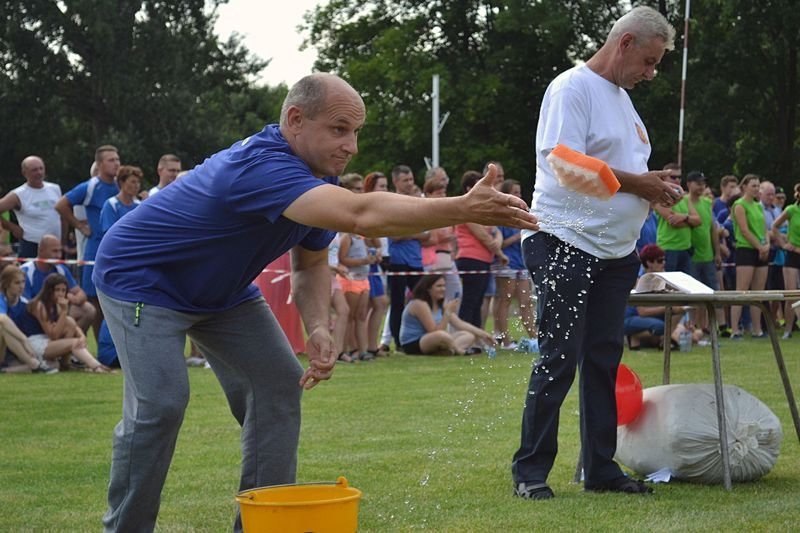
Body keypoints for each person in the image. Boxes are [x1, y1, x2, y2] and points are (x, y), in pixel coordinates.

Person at [91, 72, 537, 531]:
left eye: (356, 132)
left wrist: (318, 326)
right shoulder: (261, 165)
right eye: (340, 129)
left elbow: (309, 264)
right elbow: (360, 214)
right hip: (141, 278)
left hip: (222, 291)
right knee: (162, 403)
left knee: (279, 386)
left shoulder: (317, 175)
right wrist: (462, 206)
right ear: (295, 119)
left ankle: (262, 525)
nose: (352, 147)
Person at [511, 6, 679, 500]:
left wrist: (653, 193)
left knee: (604, 358)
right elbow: (563, 161)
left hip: (614, 252)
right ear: (624, 43)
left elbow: (617, 172)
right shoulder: (572, 88)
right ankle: (530, 471)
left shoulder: (624, 102)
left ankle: (601, 470)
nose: (651, 73)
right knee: (559, 355)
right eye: (648, 61)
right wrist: (639, 182)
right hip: (563, 239)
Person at [55, 145, 120, 343]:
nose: (116, 163)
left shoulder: (121, 185)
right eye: (111, 160)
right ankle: (101, 345)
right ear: (100, 164)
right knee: (95, 300)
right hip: (96, 250)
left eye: (118, 159)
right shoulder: (91, 186)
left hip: (118, 250)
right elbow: (61, 205)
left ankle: (112, 343)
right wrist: (79, 226)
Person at [455, 170, 507, 329]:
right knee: (470, 301)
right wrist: (500, 253)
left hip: (483, 260)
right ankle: (464, 337)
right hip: (471, 259)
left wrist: (497, 245)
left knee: (477, 301)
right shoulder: (465, 209)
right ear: (469, 188)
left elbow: (496, 232)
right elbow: (483, 236)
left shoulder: (481, 210)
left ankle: (475, 340)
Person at [399, 274, 493, 355]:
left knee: (469, 335)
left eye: (444, 286)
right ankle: (460, 351)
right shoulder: (419, 304)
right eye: (439, 286)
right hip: (414, 342)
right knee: (442, 335)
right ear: (428, 289)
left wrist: (483, 334)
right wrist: (447, 312)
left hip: (434, 339)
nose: (443, 289)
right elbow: (434, 331)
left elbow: (459, 324)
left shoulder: (441, 303)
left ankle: (448, 351)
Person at [20, 234, 96, 333]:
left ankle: (69, 338)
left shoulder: (61, 269)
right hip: (36, 315)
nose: (59, 255)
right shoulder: (26, 271)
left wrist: (74, 299)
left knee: (88, 309)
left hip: (57, 313)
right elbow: (27, 305)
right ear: (41, 250)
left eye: (60, 251)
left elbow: (81, 293)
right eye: (55, 251)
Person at [494, 180, 537, 348]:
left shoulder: (523, 214)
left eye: (519, 192)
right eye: (515, 192)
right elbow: (500, 244)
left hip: (521, 263)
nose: (519, 196)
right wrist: (517, 236)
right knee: (505, 300)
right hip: (507, 263)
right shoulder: (501, 216)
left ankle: (534, 337)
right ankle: (505, 339)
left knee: (526, 302)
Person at [729, 174, 769, 339]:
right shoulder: (739, 205)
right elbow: (744, 230)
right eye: (753, 185)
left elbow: (765, 228)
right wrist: (759, 246)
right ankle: (735, 329)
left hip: (761, 250)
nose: (756, 189)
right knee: (741, 291)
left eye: (758, 186)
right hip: (746, 249)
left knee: (758, 292)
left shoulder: (758, 205)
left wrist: (766, 245)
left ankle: (757, 329)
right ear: (744, 186)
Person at [0, 156, 62, 258]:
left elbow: (61, 215)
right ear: (25, 173)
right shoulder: (18, 194)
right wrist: (12, 227)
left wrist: (63, 239)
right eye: (34, 170)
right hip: (31, 245)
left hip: (55, 245)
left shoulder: (55, 188)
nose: (39, 173)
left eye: (41, 168)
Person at [654, 163, 699, 274]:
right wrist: (690, 221)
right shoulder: (658, 196)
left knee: (685, 288)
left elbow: (698, 221)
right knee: (668, 287)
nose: (677, 180)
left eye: (679, 177)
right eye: (673, 177)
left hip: (685, 248)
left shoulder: (684, 197)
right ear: (664, 178)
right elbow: (674, 222)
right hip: (668, 248)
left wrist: (684, 217)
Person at [770, 183, 800, 338]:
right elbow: (774, 227)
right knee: (791, 294)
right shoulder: (791, 210)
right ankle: (788, 329)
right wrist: (784, 244)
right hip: (793, 255)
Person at [100, 165, 142, 237]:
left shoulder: (139, 205)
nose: (137, 185)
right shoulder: (111, 204)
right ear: (121, 182)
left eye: (138, 182)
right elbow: (109, 234)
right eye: (133, 182)